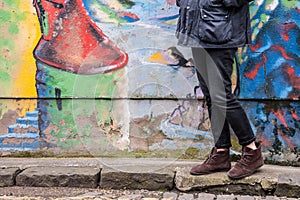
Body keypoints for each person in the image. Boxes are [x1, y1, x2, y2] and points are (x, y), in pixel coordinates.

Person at [175, 0, 264, 179]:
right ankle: (221, 152)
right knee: (210, 95)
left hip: (221, 32)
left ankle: (252, 150)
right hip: (197, 30)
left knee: (221, 95)